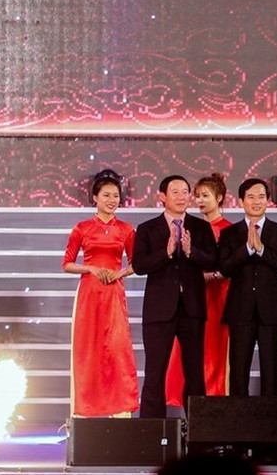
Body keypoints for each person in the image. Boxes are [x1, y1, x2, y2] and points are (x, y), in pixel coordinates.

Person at [133, 175, 219, 418]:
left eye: (185, 192)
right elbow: (139, 265)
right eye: (175, 192)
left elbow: (214, 260)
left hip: (192, 308)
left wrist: (191, 252)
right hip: (159, 310)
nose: (182, 197)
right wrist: (167, 251)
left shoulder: (200, 227)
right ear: (162, 196)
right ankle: (151, 429)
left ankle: (198, 426)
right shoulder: (147, 228)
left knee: (194, 372)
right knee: (155, 372)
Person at [62, 175, 139, 417]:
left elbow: (136, 263)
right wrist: (91, 269)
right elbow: (67, 264)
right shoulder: (82, 228)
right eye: (106, 195)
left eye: (116, 196)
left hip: (114, 293)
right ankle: (86, 410)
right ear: (95, 198)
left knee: (117, 348)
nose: (112, 200)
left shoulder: (126, 229)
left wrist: (119, 273)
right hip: (89, 292)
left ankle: (120, 409)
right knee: (89, 349)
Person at [219, 178, 277, 396]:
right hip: (240, 311)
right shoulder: (229, 234)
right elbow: (225, 268)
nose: (256, 201)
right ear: (241, 201)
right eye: (251, 197)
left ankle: (270, 417)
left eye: (261, 197)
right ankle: (238, 415)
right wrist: (246, 249)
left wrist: (262, 249)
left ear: (267, 201)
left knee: (271, 371)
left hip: (272, 311)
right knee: (238, 371)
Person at [165, 174, 233, 409]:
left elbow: (229, 267)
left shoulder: (228, 230)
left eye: (206, 196)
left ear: (220, 197)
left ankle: (214, 401)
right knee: (190, 352)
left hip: (218, 297)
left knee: (214, 350)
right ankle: (191, 405)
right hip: (192, 297)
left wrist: (209, 276)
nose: (200, 201)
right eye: (197, 196)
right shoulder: (189, 226)